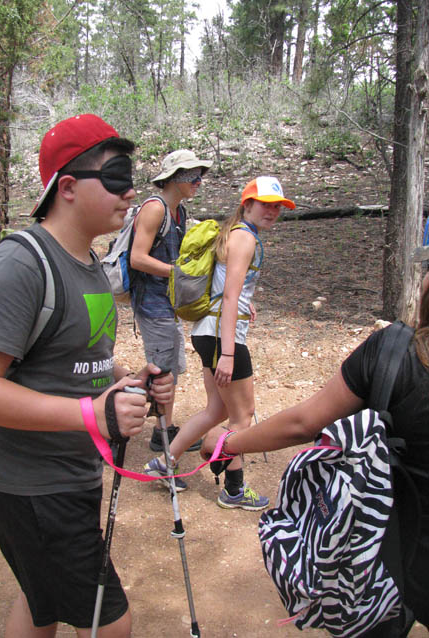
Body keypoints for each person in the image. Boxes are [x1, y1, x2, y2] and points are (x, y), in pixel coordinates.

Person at [0, 113, 174, 638]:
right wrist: (91, 413)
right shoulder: (19, 267)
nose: (131, 191)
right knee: (110, 623)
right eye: (117, 176)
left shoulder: (89, 262)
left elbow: (80, 360)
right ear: (68, 187)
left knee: (40, 602)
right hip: (32, 485)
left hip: (69, 476)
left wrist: (130, 378)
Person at [200, 274, 429, 637]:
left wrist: (228, 442)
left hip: (388, 558)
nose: (273, 212)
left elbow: (304, 423)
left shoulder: (394, 351)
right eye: (269, 209)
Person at [144, 176, 296, 507]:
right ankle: (234, 489)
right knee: (242, 417)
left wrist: (246, 302)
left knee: (217, 409)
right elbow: (229, 296)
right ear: (248, 204)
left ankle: (164, 462)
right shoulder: (245, 239)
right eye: (266, 205)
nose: (272, 212)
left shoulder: (236, 233)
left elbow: (229, 288)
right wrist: (227, 354)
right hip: (221, 338)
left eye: (278, 207)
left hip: (206, 331)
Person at [129, 149, 213, 456]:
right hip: (153, 305)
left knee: (171, 370)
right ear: (174, 177)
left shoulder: (179, 212)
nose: (198, 181)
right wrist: (177, 274)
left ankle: (163, 428)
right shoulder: (155, 209)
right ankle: (161, 435)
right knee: (162, 371)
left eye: (200, 175)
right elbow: (137, 258)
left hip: (167, 304)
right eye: (193, 175)